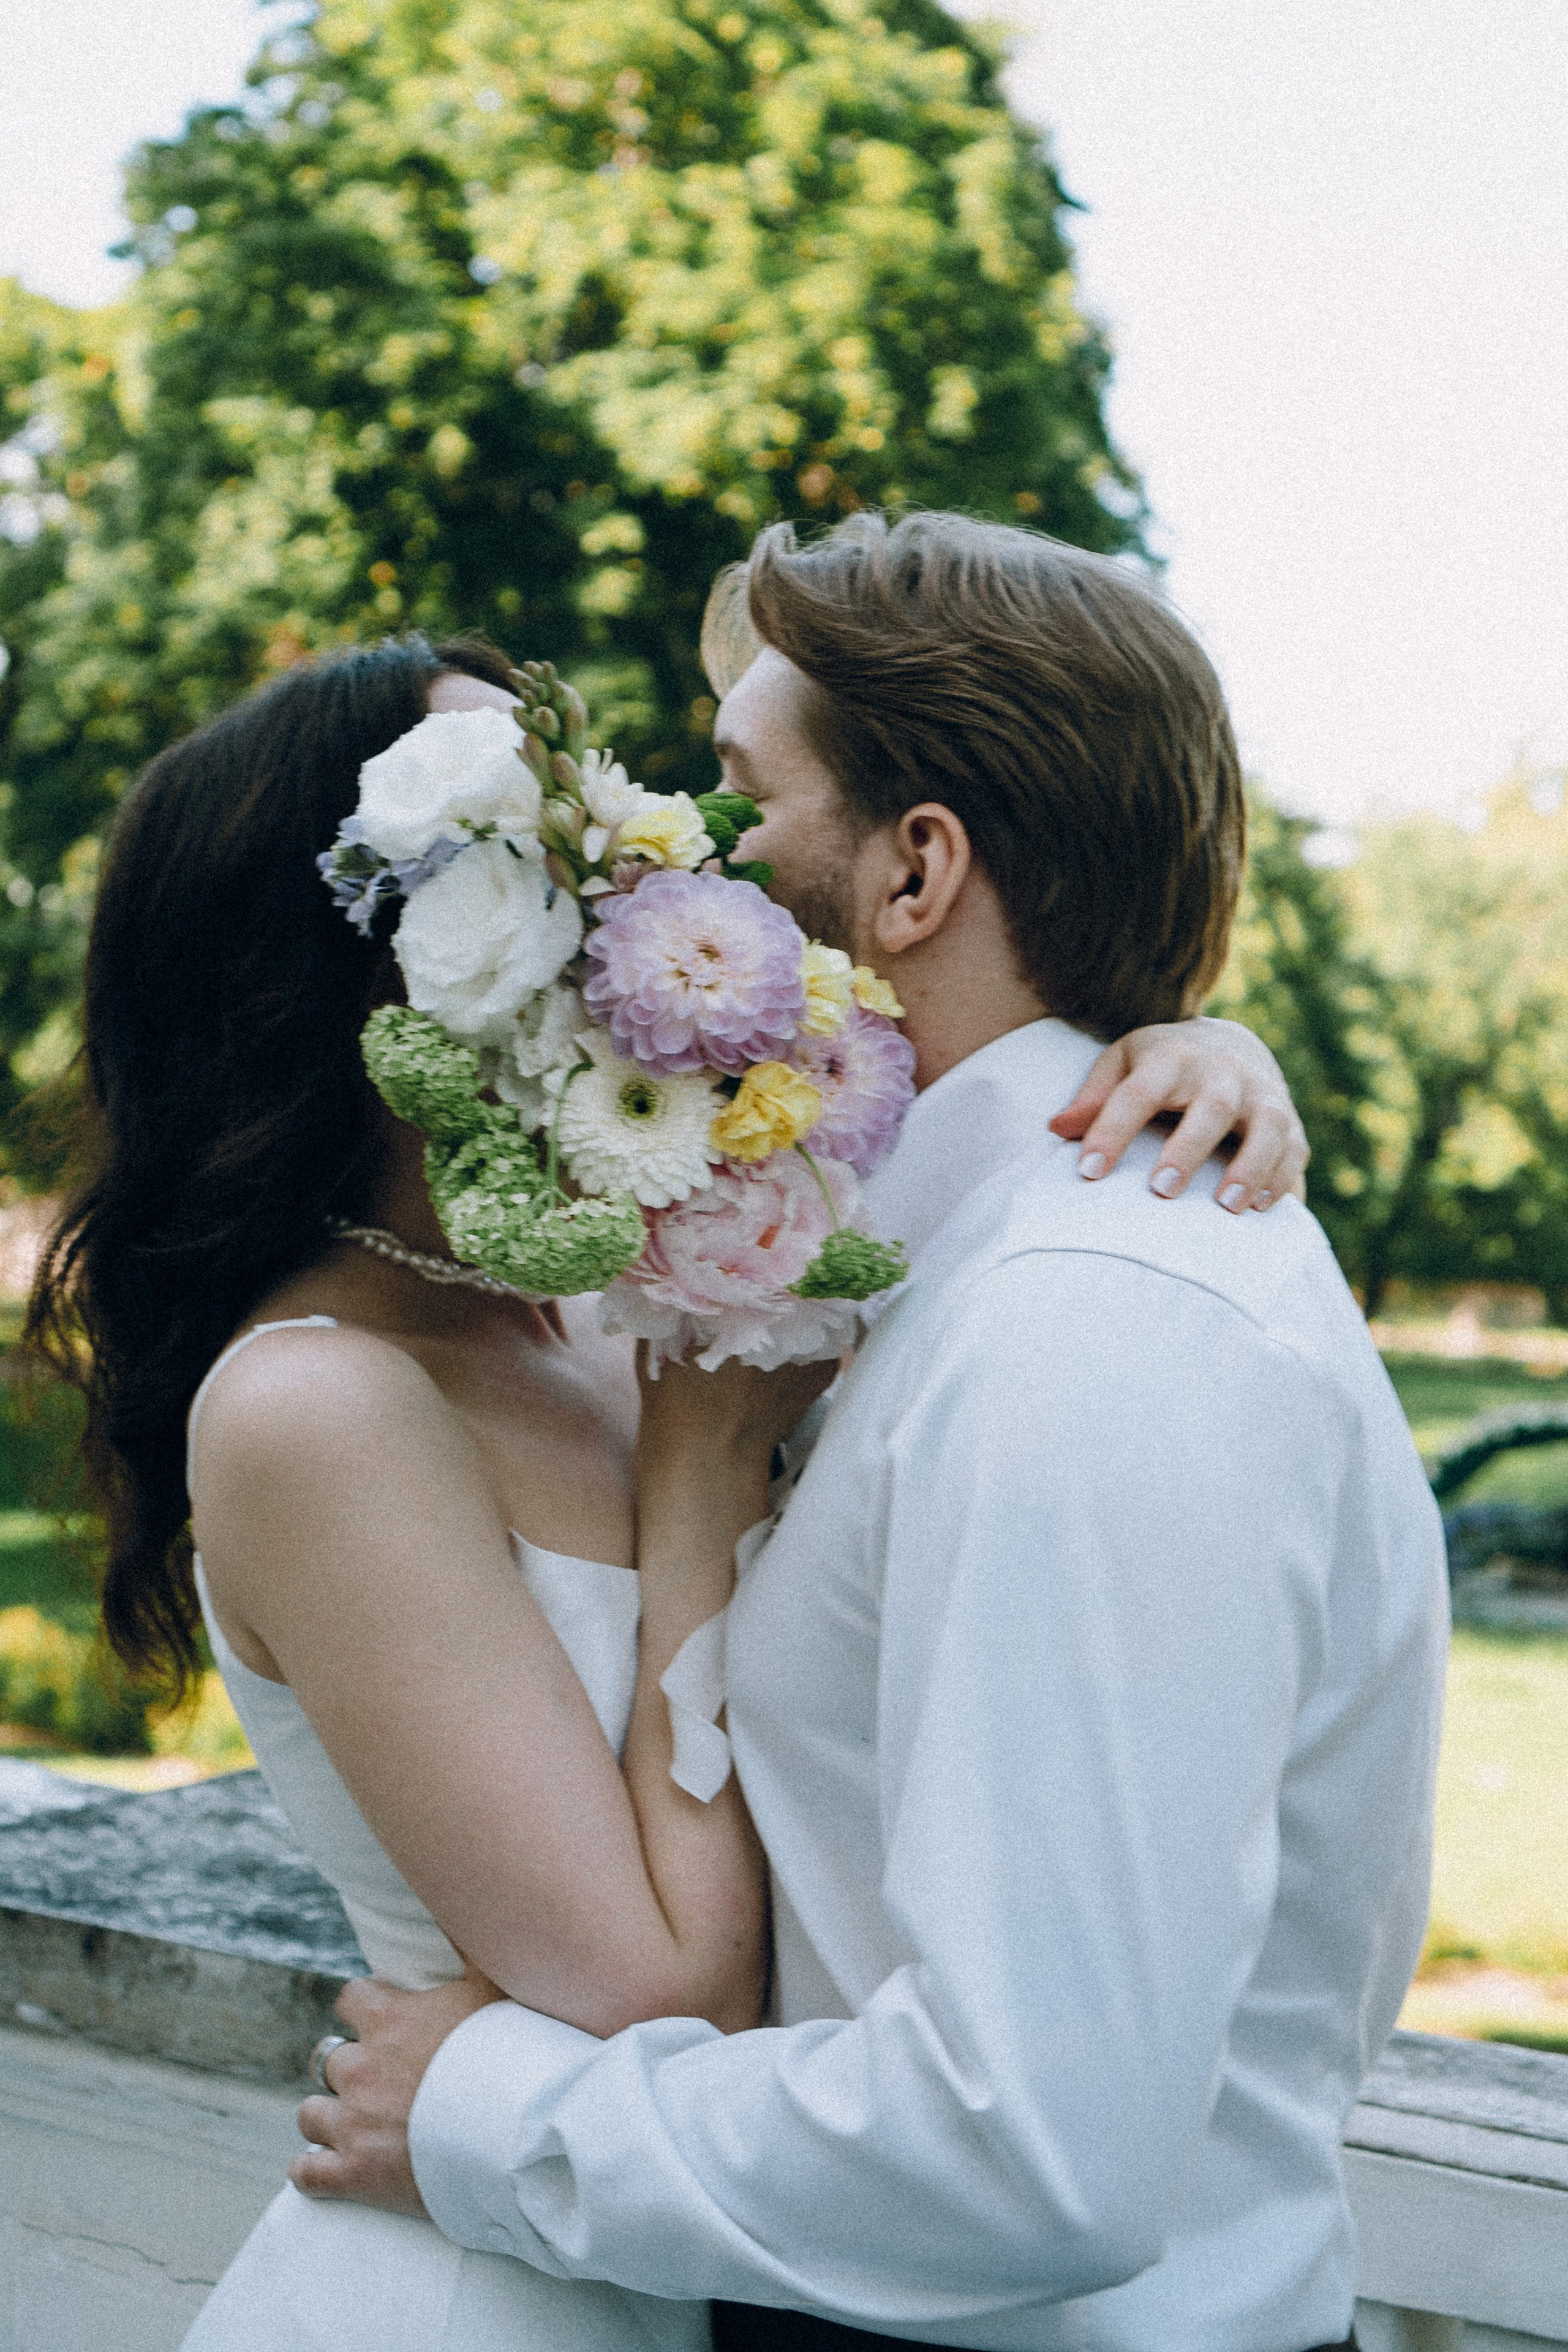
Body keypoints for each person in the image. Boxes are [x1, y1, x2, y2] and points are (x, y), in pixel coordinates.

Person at [22, 616, 1306, 2352]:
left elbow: (954, 1163)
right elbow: (659, 1992)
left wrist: (1175, 1056)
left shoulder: (600, 1300)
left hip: (701, 2264)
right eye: (542, 839)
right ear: (362, 950)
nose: (639, 868)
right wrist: (696, 1492)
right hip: (481, 2288)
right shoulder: (321, 1403)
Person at [295, 516, 1449, 2352]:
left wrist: (489, 2115)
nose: (701, 866)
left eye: (746, 802)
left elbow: (1034, 2153)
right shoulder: (900, 1263)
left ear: (915, 874)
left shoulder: (1092, 1335)